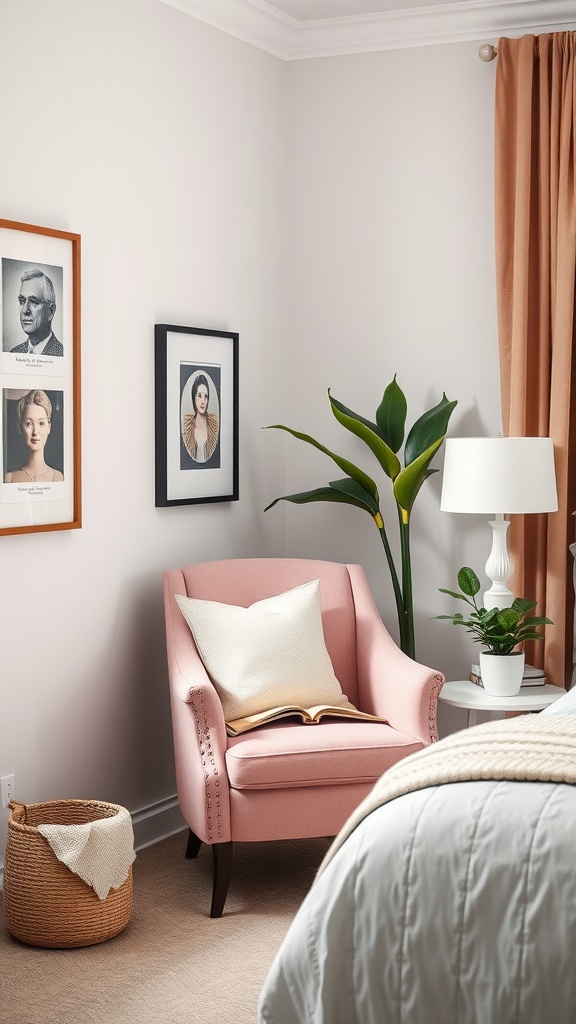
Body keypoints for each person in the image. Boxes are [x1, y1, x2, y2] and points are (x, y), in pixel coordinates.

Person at [4, 390, 64, 483]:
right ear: (20, 428)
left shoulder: (57, 477)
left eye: (41, 423)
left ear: (49, 428)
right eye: (29, 424)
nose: (35, 431)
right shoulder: (10, 478)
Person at [10, 269, 63, 356]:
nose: (25, 310)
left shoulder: (62, 354)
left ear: (51, 311)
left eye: (34, 302)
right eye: (22, 301)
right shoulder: (14, 353)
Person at [182, 373, 219, 463]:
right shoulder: (187, 426)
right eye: (199, 395)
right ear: (193, 397)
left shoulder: (214, 424)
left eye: (206, 396)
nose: (203, 401)